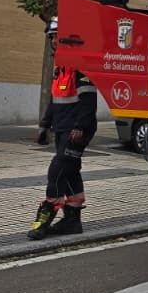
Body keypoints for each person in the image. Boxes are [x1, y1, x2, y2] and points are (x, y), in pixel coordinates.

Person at [29, 19, 100, 240]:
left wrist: (80, 127)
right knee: (70, 173)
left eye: (57, 36)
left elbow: (89, 103)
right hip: (62, 128)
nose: (54, 41)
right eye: (52, 37)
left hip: (76, 131)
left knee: (57, 171)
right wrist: (44, 126)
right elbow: (55, 100)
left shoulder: (80, 68)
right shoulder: (61, 69)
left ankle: (45, 217)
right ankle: (72, 220)